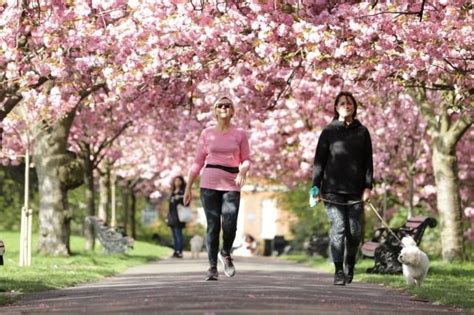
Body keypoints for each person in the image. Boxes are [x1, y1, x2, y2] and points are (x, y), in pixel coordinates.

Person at [184, 95, 250, 281]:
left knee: (230, 223)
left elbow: (246, 158)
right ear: (215, 110)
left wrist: (243, 169)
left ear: (232, 110)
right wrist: (188, 186)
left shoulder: (240, 133)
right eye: (220, 105)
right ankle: (212, 267)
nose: (224, 108)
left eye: (227, 105)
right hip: (209, 183)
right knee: (213, 226)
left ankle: (225, 252)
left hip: (231, 182)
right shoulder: (207, 133)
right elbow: (198, 161)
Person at [311, 91, 373, 286]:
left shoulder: (362, 132)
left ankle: (349, 263)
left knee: (354, 233)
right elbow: (319, 161)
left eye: (349, 103)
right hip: (331, 190)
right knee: (338, 228)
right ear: (336, 107)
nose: (346, 106)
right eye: (342, 103)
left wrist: (368, 187)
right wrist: (315, 186)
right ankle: (338, 271)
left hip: (355, 191)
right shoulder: (328, 131)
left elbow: (368, 162)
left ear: (354, 107)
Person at [167, 175, 186, 258]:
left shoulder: (183, 192)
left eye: (179, 180)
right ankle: (175, 251)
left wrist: (179, 198)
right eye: (176, 181)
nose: (177, 182)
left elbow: (186, 203)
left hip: (179, 217)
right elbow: (170, 206)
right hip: (172, 216)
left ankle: (180, 251)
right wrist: (168, 217)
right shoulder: (172, 192)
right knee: (174, 236)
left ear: (182, 182)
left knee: (179, 234)